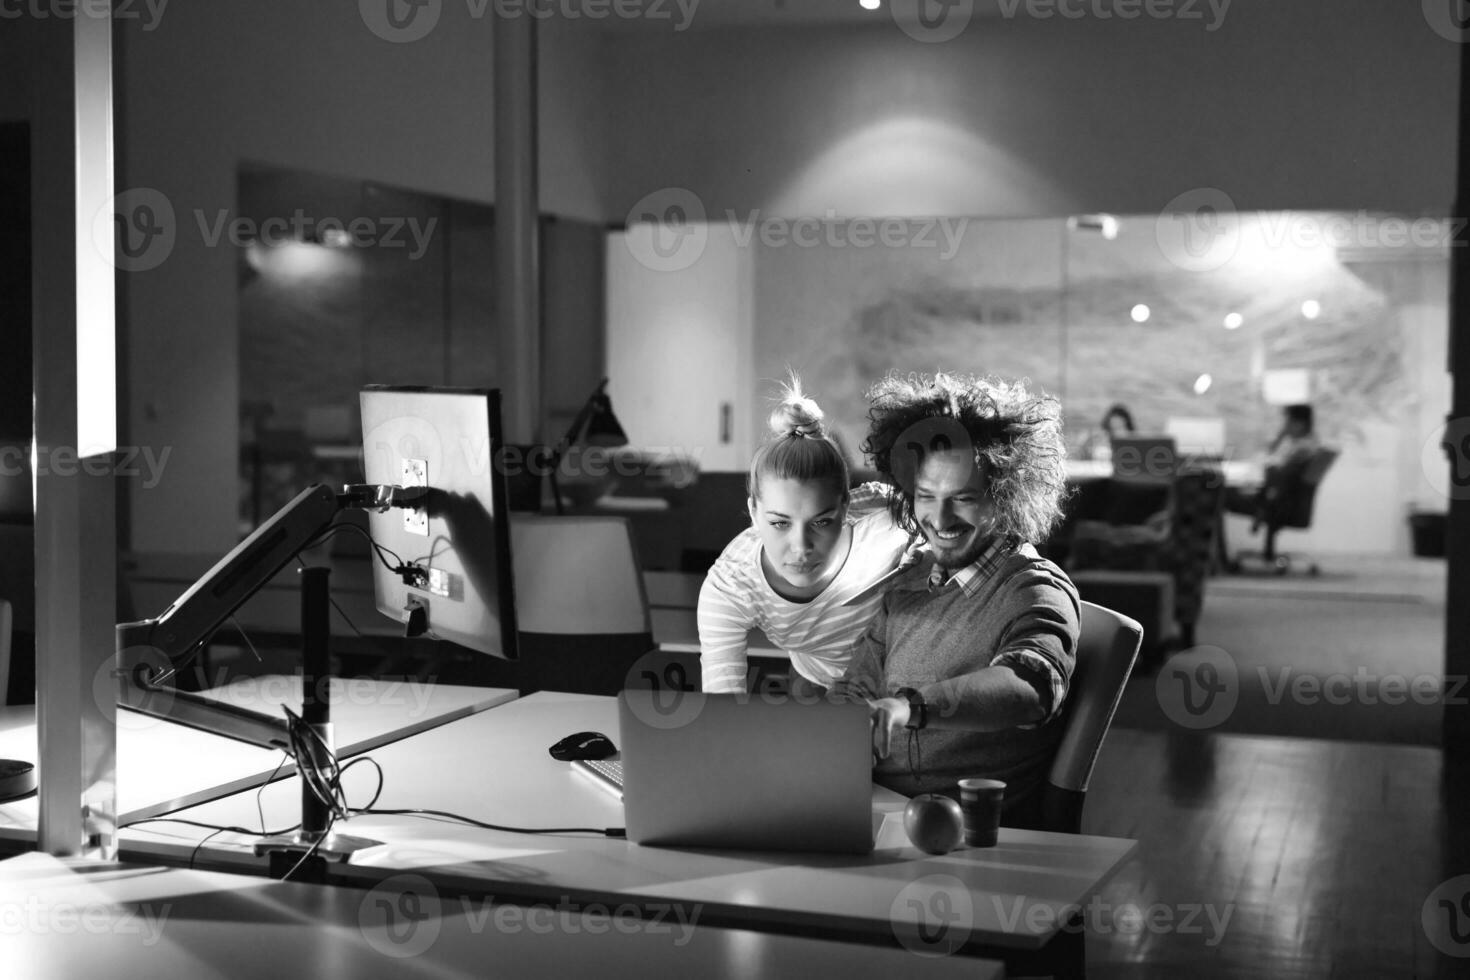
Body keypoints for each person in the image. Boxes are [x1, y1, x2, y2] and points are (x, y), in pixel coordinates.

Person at [828, 372, 1080, 829]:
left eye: (963, 498)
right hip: (870, 810)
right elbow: (854, 690)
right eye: (926, 496)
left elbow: (1030, 689)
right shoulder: (910, 580)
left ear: (1005, 497)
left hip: (961, 840)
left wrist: (910, 707)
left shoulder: (1034, 590)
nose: (939, 518)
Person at [698, 377, 916, 695]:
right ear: (754, 513)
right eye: (780, 524)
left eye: (821, 522)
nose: (801, 547)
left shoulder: (887, 517)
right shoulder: (730, 585)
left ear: (845, 508)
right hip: (818, 682)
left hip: (906, 681)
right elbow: (721, 711)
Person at [1224, 404, 1321, 526]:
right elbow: (1273, 463)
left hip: (1277, 506)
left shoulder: (1303, 449)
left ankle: (1210, 542)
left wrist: (1280, 438)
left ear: (1299, 424)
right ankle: (1217, 543)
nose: (1285, 426)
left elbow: (1277, 476)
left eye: (1287, 421)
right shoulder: (1309, 444)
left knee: (1219, 494)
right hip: (1278, 501)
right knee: (1224, 492)